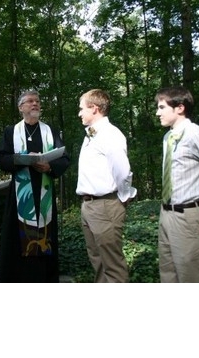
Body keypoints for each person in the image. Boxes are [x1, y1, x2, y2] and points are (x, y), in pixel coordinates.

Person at [0, 90, 70, 283]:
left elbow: (64, 158)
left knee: (46, 237)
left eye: (37, 101)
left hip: (44, 193)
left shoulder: (50, 131)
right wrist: (21, 159)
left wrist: (49, 166)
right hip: (20, 195)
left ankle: (45, 280)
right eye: (30, 101)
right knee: (16, 239)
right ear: (21, 107)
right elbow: (1, 158)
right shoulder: (11, 132)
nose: (35, 104)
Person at [155, 86, 199, 283]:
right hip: (166, 214)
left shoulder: (196, 135)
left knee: (192, 277)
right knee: (168, 275)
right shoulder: (168, 137)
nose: (157, 113)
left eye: (162, 107)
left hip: (189, 217)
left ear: (180, 108)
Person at [76, 89, 136, 283]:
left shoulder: (110, 134)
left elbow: (122, 171)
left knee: (112, 265)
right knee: (98, 262)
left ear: (94, 108)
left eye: (82, 109)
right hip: (89, 206)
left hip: (105, 206)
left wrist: (123, 197)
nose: (79, 113)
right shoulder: (91, 135)